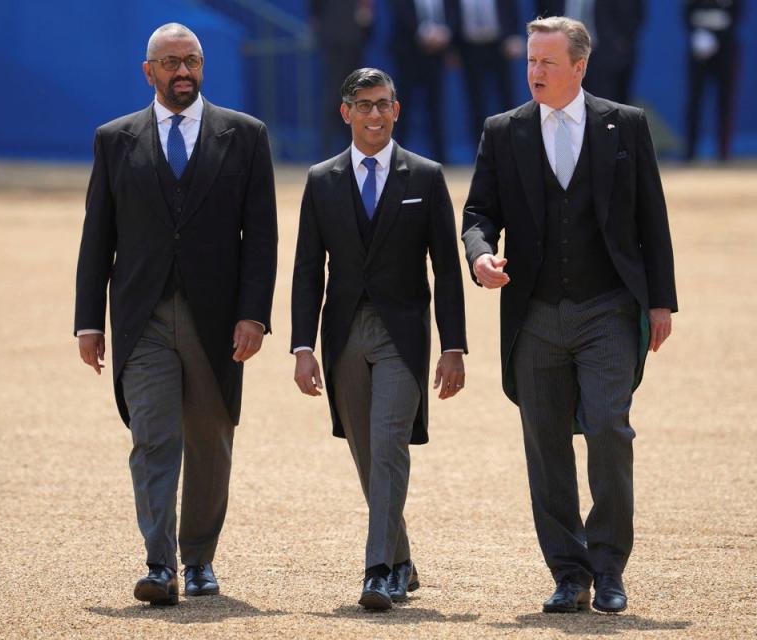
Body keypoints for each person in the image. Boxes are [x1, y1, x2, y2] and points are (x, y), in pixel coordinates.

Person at [461, 16, 676, 614]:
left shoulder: (624, 125)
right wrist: (481, 257)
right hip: (532, 313)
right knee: (545, 443)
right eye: (530, 61)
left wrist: (660, 301)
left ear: (579, 67)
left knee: (609, 427)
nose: (534, 72)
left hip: (608, 306)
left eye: (547, 63)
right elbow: (478, 213)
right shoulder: (503, 131)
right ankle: (568, 571)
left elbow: (650, 217)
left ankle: (609, 568)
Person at [74, 23, 277, 606]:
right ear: (149, 72)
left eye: (191, 61)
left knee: (211, 440)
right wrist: (89, 321)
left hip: (218, 320)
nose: (182, 71)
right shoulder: (114, 139)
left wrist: (254, 315)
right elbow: (97, 237)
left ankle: (200, 559)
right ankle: (159, 563)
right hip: (143, 316)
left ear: (203, 66)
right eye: (170, 63)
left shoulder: (245, 135)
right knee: (153, 439)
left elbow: (260, 237)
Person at [290, 68, 467, 610]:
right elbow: (306, 270)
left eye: (383, 104)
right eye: (363, 105)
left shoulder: (426, 176)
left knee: (389, 443)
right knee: (369, 455)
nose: (374, 114)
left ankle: (379, 570)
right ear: (346, 113)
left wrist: (453, 346)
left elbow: (446, 269)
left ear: (398, 109)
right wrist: (302, 347)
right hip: (342, 337)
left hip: (403, 337)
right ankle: (404, 559)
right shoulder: (321, 180)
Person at [449, 0, 524, 150]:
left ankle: (512, 149)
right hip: (469, 48)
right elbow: (451, 13)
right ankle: (483, 152)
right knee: (475, 103)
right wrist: (452, 48)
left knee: (506, 101)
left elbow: (510, 8)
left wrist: (514, 35)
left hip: (499, 47)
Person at [389, 0, 457, 162]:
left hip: (436, 55)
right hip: (408, 53)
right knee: (402, 109)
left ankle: (441, 161)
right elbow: (400, 10)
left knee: (436, 108)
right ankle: (395, 160)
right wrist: (423, 33)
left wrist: (445, 33)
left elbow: (453, 11)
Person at [309, 0, 374, 156]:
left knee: (350, 96)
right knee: (338, 96)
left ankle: (351, 151)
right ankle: (328, 152)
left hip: (351, 39)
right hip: (340, 38)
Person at [684, 0, 742, 161]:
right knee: (695, 100)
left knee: (726, 100)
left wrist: (720, 37)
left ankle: (724, 152)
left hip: (726, 49)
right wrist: (697, 33)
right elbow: (687, 12)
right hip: (699, 49)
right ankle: (690, 151)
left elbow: (738, 13)